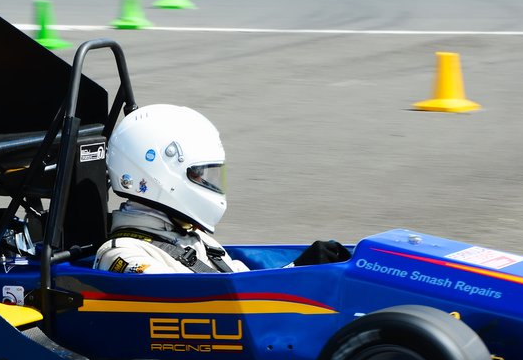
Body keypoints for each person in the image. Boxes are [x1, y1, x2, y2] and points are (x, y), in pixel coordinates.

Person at [93, 104, 348, 274]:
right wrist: (297, 271)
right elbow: (197, 303)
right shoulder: (122, 254)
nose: (209, 184)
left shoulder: (193, 236)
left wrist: (306, 268)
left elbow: (240, 283)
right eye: (200, 175)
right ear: (156, 174)